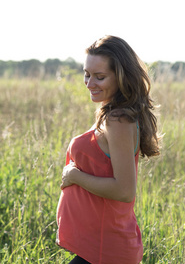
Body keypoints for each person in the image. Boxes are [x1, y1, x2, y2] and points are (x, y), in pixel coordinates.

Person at [56, 35, 161, 264]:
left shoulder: (118, 120)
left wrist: (75, 176)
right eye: (87, 74)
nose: (89, 83)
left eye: (100, 77)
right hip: (97, 246)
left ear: (121, 77)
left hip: (108, 250)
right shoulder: (109, 113)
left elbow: (124, 190)